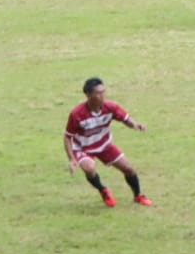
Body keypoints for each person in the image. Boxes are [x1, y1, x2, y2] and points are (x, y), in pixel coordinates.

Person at [64, 77, 151, 207]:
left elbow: (125, 118)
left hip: (104, 145)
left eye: (103, 92)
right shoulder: (77, 114)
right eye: (98, 93)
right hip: (83, 148)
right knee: (89, 167)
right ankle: (103, 190)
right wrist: (71, 159)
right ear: (88, 95)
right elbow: (67, 136)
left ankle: (138, 196)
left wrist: (135, 125)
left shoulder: (110, 107)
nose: (102, 95)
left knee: (129, 169)